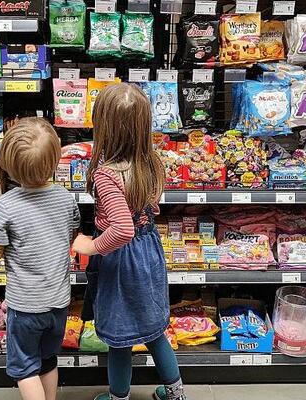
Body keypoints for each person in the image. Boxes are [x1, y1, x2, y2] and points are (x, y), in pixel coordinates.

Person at [72, 83, 185, 400]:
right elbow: (150, 208)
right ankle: (175, 393)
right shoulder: (152, 161)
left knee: (120, 337)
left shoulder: (106, 175)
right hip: (149, 252)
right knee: (154, 330)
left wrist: (91, 246)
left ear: (104, 127)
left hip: (121, 262)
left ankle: (118, 396)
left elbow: (122, 229)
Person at [0, 117, 80, 400]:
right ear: (55, 160)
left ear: (8, 165)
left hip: (25, 307)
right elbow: (71, 232)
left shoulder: (7, 205)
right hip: (59, 304)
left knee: (25, 368)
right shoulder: (65, 198)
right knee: (48, 360)